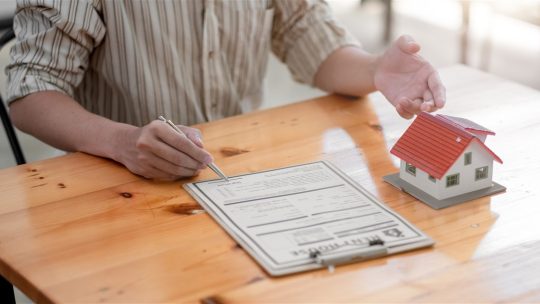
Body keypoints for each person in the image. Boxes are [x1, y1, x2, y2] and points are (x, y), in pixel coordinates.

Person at [6, 0, 445, 180]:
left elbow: (305, 35)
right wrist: (121, 141)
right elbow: (30, 92)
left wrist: (376, 69)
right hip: (118, 183)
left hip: (233, 177)